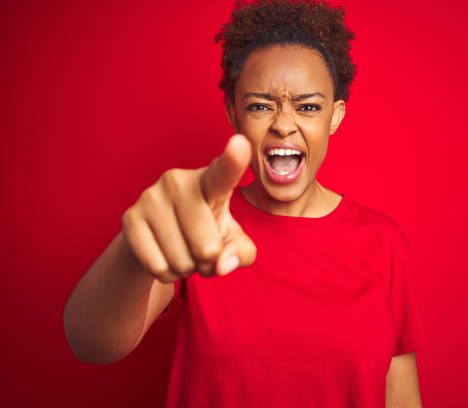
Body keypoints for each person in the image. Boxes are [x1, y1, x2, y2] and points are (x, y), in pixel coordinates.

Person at [63, 0, 428, 406]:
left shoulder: (382, 240)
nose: (284, 124)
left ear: (335, 116)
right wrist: (133, 245)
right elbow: (90, 343)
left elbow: (401, 398)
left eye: (308, 107)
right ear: (234, 114)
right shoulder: (203, 222)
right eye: (259, 106)